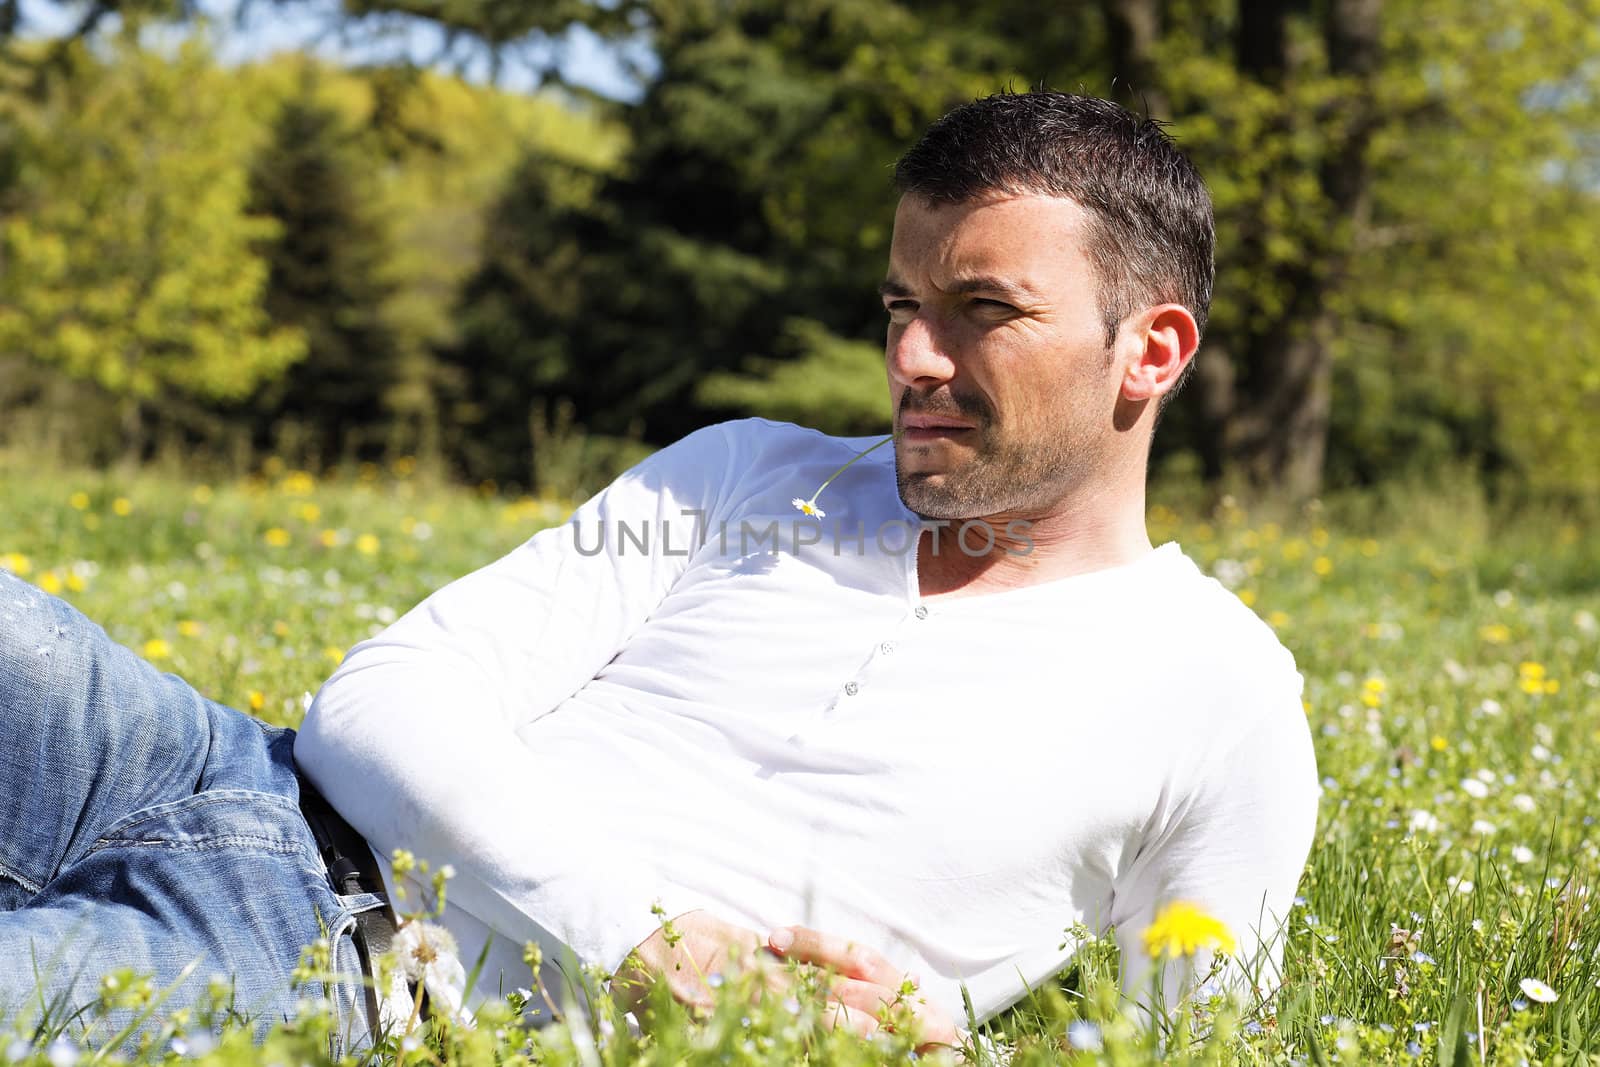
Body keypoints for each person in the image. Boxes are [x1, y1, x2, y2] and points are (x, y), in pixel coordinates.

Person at [0, 90, 1318, 1053]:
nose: (914, 356)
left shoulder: (1219, 697)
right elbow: (378, 703)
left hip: (332, 976)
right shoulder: (748, 469)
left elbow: (1187, 1038)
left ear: (1149, 351)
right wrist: (651, 947)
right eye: (900, 307)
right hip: (221, 770)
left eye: (981, 311)